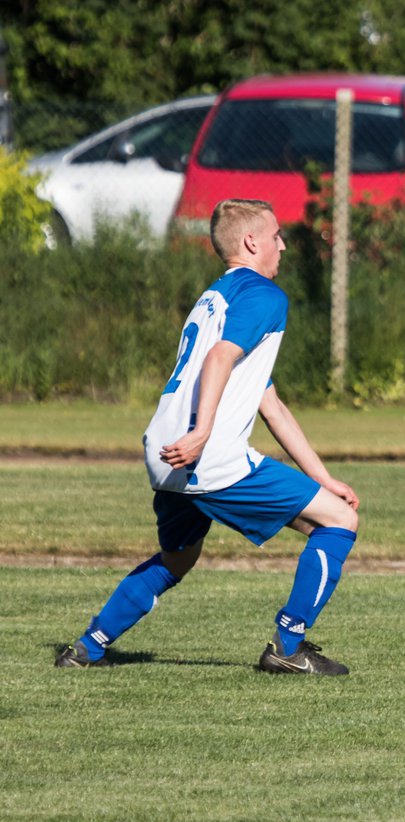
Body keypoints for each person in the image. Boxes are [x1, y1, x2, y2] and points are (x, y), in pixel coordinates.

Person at [55, 199, 360, 676]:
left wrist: (323, 476)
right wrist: (202, 432)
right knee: (338, 521)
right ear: (252, 242)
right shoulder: (263, 294)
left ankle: (87, 647)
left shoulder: (216, 296)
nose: (283, 244)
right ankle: (289, 644)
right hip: (206, 453)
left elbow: (269, 402)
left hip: (163, 452)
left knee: (178, 557)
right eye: (276, 234)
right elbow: (218, 361)